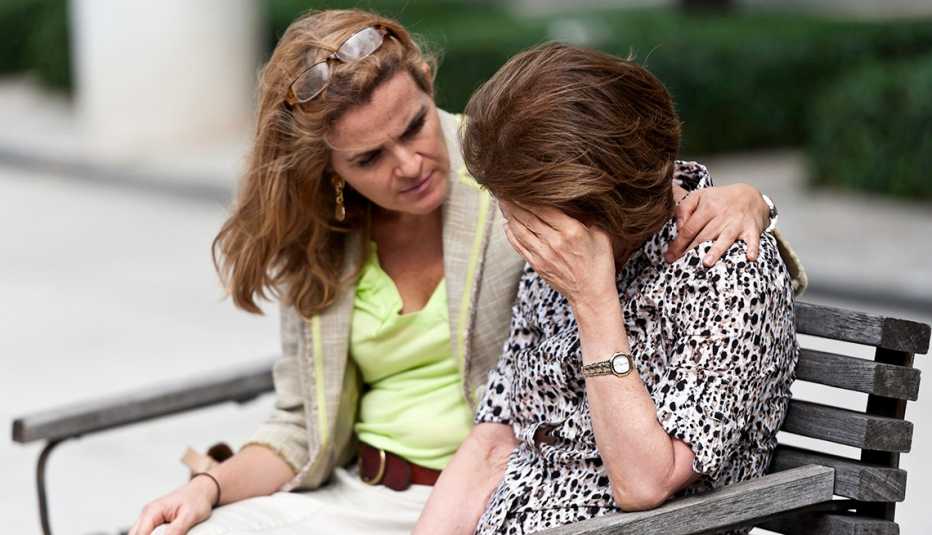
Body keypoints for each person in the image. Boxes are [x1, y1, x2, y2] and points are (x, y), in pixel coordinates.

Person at [129, 10, 793, 535]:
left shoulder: (514, 181)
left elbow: (625, 161)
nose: (410, 163)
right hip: (384, 493)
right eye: (368, 158)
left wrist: (753, 201)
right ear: (331, 170)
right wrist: (208, 485)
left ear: (427, 82)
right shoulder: (344, 236)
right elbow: (323, 427)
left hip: (500, 499)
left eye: (415, 126)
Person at [413, 43, 800, 535]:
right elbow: (494, 439)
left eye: (523, 212)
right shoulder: (554, 261)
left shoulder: (727, 273)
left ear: (603, 214)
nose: (513, 228)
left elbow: (645, 483)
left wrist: (594, 303)